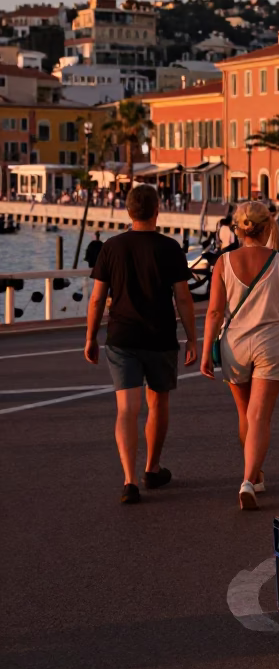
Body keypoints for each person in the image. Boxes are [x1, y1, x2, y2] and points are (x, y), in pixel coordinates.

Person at [84, 184, 197, 504]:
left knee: (126, 410)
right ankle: (151, 468)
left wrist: (91, 337)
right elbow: (183, 298)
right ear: (157, 210)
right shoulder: (170, 247)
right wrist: (192, 338)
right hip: (160, 337)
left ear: (128, 211)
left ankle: (129, 481)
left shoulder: (111, 247)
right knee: (157, 404)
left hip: (122, 337)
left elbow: (96, 299)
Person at [200, 202, 279, 509]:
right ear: (268, 227)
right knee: (260, 416)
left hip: (235, 344)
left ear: (238, 229)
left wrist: (206, 352)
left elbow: (215, 311)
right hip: (270, 342)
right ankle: (248, 479)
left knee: (245, 414)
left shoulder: (223, 262)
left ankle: (254, 475)